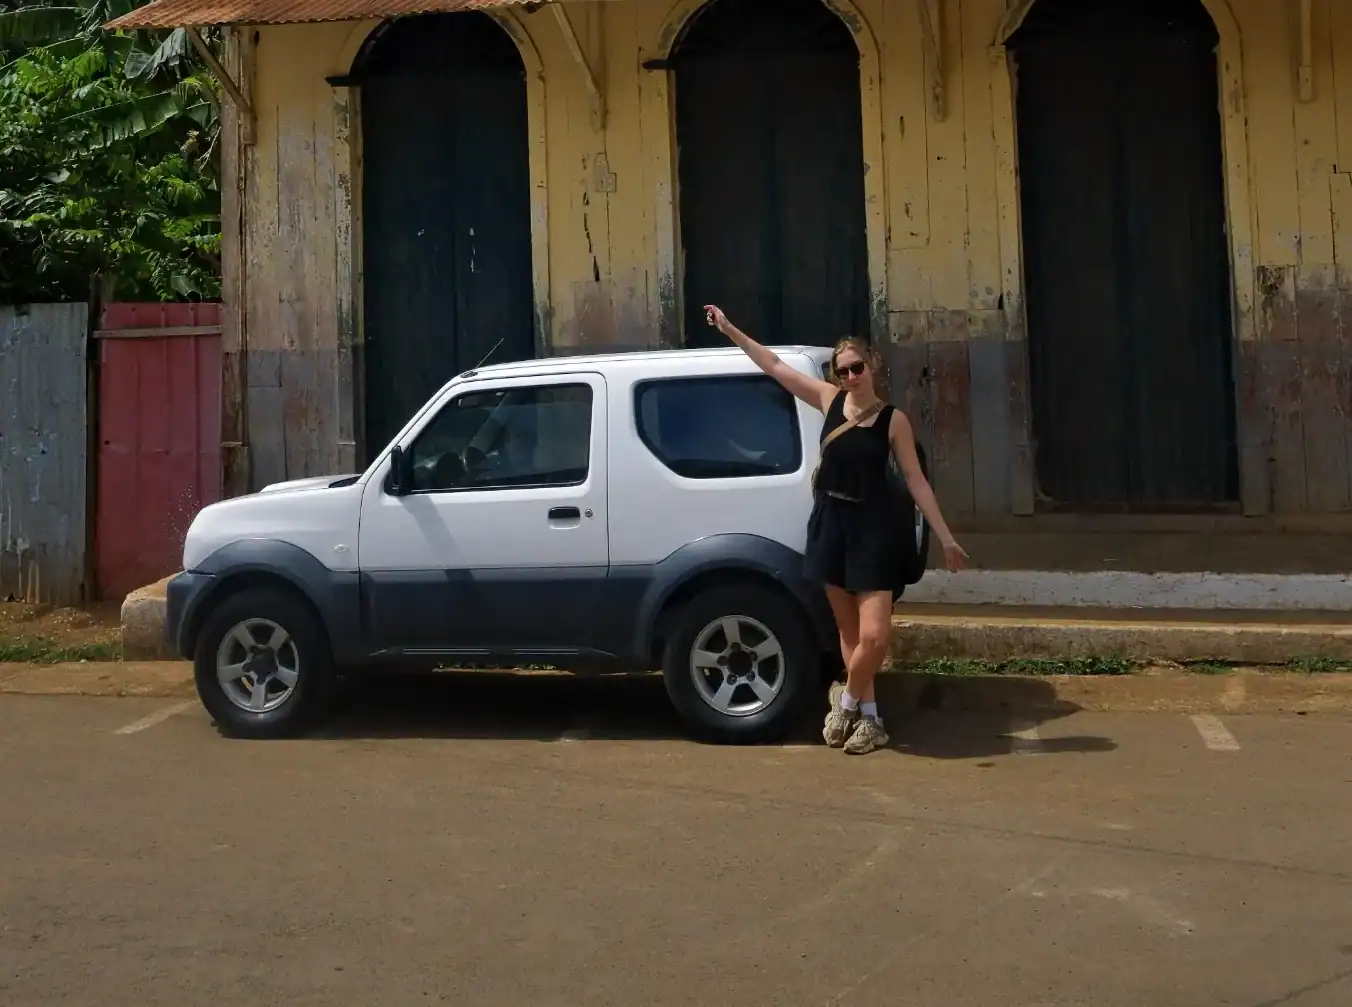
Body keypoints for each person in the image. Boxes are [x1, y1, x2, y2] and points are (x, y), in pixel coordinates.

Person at [704, 305, 968, 755]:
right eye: (842, 371)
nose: (850, 377)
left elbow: (916, 480)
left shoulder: (893, 420)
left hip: (874, 529)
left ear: (872, 366)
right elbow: (773, 365)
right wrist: (730, 329)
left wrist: (945, 536)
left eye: (856, 368)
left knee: (875, 636)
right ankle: (871, 720)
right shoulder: (829, 400)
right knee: (849, 635)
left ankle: (844, 704)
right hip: (831, 523)